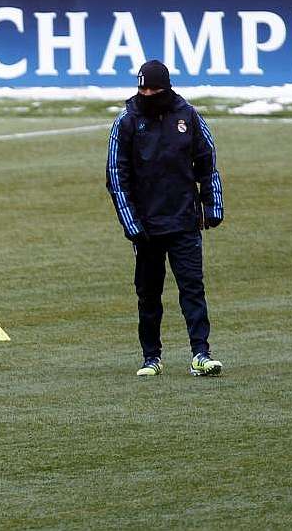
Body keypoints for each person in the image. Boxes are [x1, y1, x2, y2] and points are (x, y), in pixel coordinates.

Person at [106, 60, 224, 378]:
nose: (147, 93)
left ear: (167, 88)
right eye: (142, 88)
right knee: (148, 294)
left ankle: (201, 353)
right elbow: (116, 177)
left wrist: (213, 207)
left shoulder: (188, 116)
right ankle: (151, 357)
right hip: (146, 227)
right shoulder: (127, 121)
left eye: (153, 89)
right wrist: (131, 224)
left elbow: (207, 162)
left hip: (184, 220)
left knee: (192, 289)